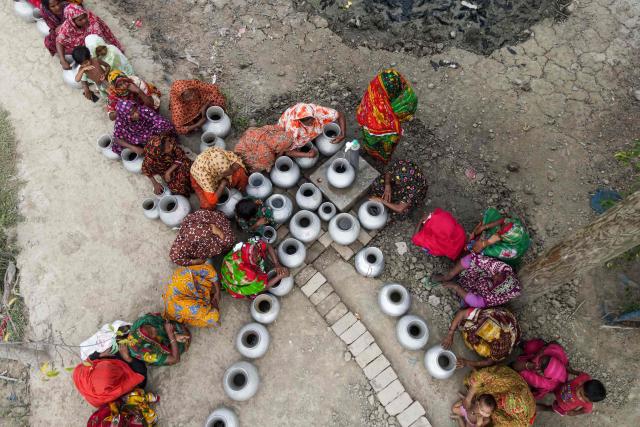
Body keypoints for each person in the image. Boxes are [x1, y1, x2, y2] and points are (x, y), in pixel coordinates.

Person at [356, 69, 417, 163]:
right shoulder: (376, 88)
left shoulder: (404, 101)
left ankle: (377, 156)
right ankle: (372, 151)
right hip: (382, 128)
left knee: (379, 144)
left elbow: (379, 124)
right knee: (375, 140)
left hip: (382, 133)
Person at [433, 253, 521, 308]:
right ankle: (454, 276)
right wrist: (449, 275)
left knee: (466, 303)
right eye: (498, 274)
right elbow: (470, 259)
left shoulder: (497, 296)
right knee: (468, 260)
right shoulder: (502, 269)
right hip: (477, 274)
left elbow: (477, 302)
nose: (495, 276)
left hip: (476, 289)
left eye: (496, 281)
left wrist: (456, 287)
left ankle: (460, 289)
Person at [442, 307, 520, 369]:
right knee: (465, 324)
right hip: (503, 317)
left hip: (511, 334)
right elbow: (462, 313)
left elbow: (489, 362)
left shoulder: (500, 349)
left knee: (480, 349)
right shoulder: (485, 317)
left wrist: (467, 362)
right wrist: (450, 334)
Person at [55, 4, 123, 70]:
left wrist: (115, 46)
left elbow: (105, 30)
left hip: (97, 46)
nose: (84, 20)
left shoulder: (91, 18)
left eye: (84, 16)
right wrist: (62, 60)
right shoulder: (67, 28)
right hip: (83, 50)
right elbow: (59, 41)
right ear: (72, 21)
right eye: (80, 20)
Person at [464, 365, 536, 427]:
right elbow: (479, 377)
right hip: (507, 384)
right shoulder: (510, 385)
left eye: (503, 404)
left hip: (513, 416)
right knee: (470, 381)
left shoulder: (513, 424)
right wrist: (468, 399)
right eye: (503, 401)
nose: (500, 403)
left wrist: (478, 425)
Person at [220, 238, 289, 299]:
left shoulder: (246, 247)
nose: (258, 255)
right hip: (236, 284)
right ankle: (250, 295)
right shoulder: (248, 276)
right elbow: (264, 287)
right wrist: (279, 277)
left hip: (229, 271)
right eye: (255, 256)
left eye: (256, 250)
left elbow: (267, 245)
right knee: (255, 292)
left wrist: (277, 264)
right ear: (249, 261)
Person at [233, 125, 317, 172]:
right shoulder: (267, 155)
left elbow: (280, 129)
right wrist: (281, 152)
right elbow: (270, 165)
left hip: (246, 143)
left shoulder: (269, 129)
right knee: (262, 165)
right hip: (243, 156)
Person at [162, 263, 222, 328]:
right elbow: (211, 314)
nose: (196, 280)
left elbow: (209, 270)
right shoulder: (187, 307)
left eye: (194, 279)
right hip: (179, 309)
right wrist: (215, 304)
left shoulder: (184, 273)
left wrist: (218, 291)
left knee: (205, 279)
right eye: (194, 283)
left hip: (180, 293)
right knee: (213, 318)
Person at [169, 210, 235, 266]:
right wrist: (195, 261)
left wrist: (219, 232)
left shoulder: (195, 219)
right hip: (204, 244)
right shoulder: (178, 250)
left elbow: (228, 240)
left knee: (227, 241)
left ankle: (226, 251)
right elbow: (175, 258)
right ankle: (226, 251)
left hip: (212, 230)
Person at [72, 358, 145, 407]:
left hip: (97, 385)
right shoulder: (115, 391)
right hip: (107, 386)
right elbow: (139, 377)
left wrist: (101, 356)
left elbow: (87, 365)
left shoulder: (79, 373)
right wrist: (128, 358)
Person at [122, 313, 190, 366]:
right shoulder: (147, 353)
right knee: (180, 346)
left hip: (153, 339)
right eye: (151, 332)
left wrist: (174, 334)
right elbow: (175, 359)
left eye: (149, 327)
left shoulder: (143, 322)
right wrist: (171, 335)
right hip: (152, 348)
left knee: (172, 325)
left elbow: (162, 321)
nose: (153, 329)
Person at [278, 103, 346, 149]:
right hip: (287, 134)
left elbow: (340, 115)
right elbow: (287, 149)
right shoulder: (293, 129)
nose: (310, 122)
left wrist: (343, 134)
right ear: (300, 120)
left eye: (311, 118)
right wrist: (306, 154)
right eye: (307, 121)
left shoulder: (316, 111)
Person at [539, 372, 606, 416]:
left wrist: (575, 413)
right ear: (584, 382)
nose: (577, 392)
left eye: (581, 395)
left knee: (552, 409)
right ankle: (545, 392)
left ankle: (545, 408)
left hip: (563, 406)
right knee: (550, 389)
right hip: (560, 388)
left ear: (588, 401)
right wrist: (571, 370)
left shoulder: (588, 405)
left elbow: (586, 410)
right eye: (580, 387)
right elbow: (580, 373)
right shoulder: (585, 377)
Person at [87, 388, 159, 426]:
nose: (116, 420)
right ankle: (143, 404)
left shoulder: (104, 414)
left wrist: (128, 408)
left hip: (123, 408)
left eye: (115, 420)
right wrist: (141, 417)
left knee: (133, 396)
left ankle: (146, 398)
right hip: (131, 421)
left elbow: (117, 404)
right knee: (150, 418)